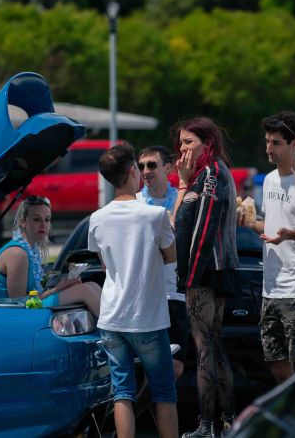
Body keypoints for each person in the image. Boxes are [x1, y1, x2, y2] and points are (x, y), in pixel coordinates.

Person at [87, 143, 178, 438]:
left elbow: (104, 263)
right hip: (147, 316)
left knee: (122, 391)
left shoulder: (97, 218)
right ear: (132, 171)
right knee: (164, 391)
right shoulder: (155, 215)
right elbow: (171, 256)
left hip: (111, 316)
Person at [239, 111, 295, 384]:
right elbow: (271, 227)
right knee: (276, 364)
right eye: (267, 141)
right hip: (270, 286)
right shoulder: (268, 180)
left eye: (276, 143)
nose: (269, 148)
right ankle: (292, 406)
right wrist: (248, 222)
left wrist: (291, 235)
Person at [173, 117, 239, 438]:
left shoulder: (211, 174)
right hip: (216, 268)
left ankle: (207, 425)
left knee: (205, 348)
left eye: (189, 142)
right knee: (213, 345)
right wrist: (185, 183)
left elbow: (201, 227)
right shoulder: (209, 173)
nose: (182, 149)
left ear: (207, 143)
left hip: (206, 269)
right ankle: (227, 423)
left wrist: (189, 276)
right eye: (180, 143)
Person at [0, 196, 101, 316]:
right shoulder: (17, 254)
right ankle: (109, 326)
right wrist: (56, 289)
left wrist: (61, 286)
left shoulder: (30, 249)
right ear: (23, 222)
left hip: (29, 306)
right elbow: (18, 303)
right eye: (36, 219)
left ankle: (111, 322)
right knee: (84, 291)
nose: (43, 225)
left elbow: (32, 296)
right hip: (11, 314)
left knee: (92, 285)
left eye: (47, 220)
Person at [136, 145, 189, 380]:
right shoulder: (135, 203)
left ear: (168, 168)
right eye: (141, 166)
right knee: (147, 365)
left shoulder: (182, 199)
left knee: (175, 366)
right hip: (143, 294)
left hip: (174, 292)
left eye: (151, 165)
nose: (145, 171)